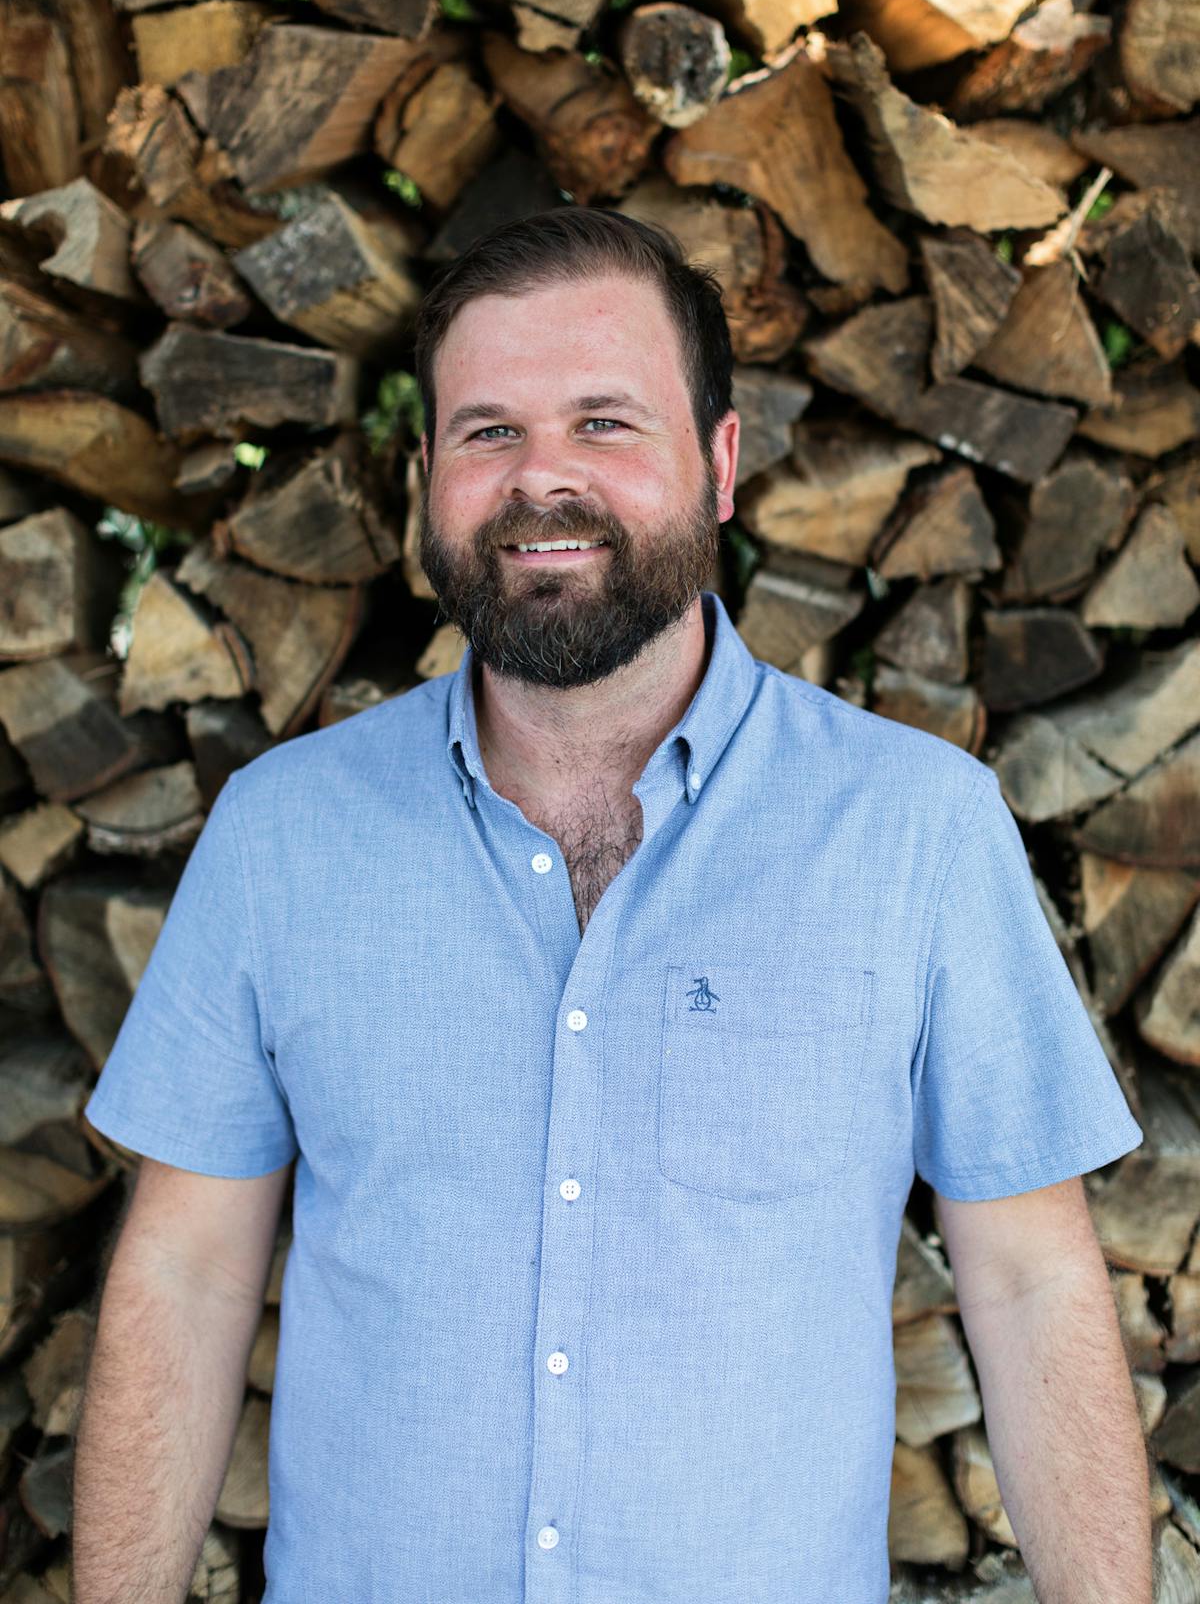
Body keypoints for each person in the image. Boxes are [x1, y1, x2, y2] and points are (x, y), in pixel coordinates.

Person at [75, 207, 1151, 1604]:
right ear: (429, 477)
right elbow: (188, 1279)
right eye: (488, 432)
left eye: (604, 424)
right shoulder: (285, 836)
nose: (542, 482)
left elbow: (1031, 1288)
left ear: (717, 466)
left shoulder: (916, 835)